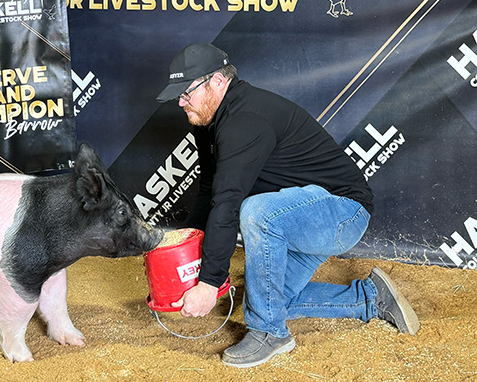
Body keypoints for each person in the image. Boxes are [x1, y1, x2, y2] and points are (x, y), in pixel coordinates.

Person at [156, 42, 420, 368]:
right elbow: (210, 187)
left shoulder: (245, 120)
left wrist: (210, 283)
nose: (181, 102)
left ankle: (269, 334)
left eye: (187, 93)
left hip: (340, 213)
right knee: (266, 298)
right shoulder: (207, 120)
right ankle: (370, 299)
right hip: (298, 218)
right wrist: (187, 244)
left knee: (255, 212)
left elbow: (227, 201)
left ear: (218, 82)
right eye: (179, 95)